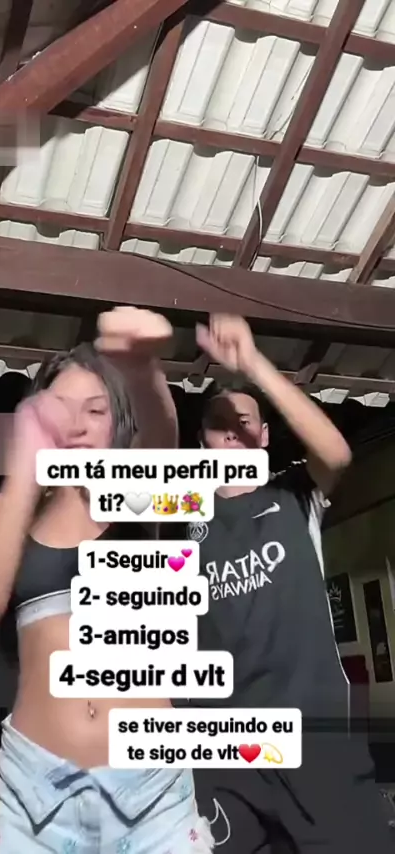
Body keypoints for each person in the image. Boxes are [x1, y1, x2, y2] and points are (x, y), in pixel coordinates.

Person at [0, 306, 213, 854]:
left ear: (116, 425)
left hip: (152, 793)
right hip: (33, 794)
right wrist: (25, 470)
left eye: (95, 410)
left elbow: (162, 435)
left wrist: (143, 366)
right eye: (58, 411)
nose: (75, 426)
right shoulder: (8, 510)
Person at [173, 314, 393, 853]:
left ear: (265, 436)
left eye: (246, 421)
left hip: (313, 742)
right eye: (220, 424)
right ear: (203, 442)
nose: (234, 431)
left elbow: (337, 455)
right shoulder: (179, 526)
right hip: (223, 754)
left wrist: (253, 363)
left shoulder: (294, 498)